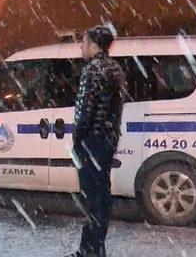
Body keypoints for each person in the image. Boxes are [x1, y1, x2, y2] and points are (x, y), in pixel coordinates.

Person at [66, 26, 126, 257]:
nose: (81, 47)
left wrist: (77, 139)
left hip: (92, 141)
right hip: (107, 141)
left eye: (83, 42)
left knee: (92, 198)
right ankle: (96, 247)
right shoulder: (116, 69)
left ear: (93, 44)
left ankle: (89, 250)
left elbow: (84, 112)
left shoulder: (92, 70)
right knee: (102, 195)